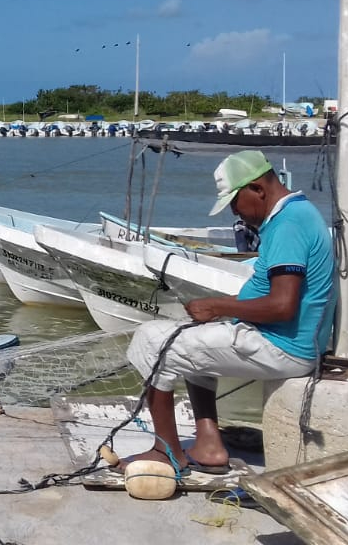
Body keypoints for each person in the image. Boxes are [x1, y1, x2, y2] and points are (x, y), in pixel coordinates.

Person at [121, 150, 336, 475]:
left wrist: (218, 306)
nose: (235, 212)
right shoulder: (295, 214)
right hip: (284, 340)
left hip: (284, 348)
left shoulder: (289, 225)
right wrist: (223, 309)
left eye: (235, 202)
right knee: (189, 340)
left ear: (258, 189)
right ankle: (208, 443)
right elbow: (274, 294)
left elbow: (282, 305)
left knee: (151, 339)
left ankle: (166, 452)